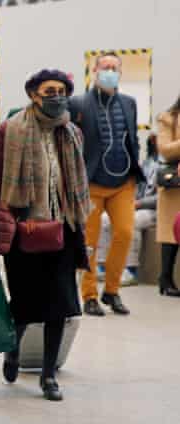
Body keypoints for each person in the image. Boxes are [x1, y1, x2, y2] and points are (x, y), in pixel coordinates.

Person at [0, 69, 91, 401]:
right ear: (33, 94)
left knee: (59, 304)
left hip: (64, 230)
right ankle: (13, 351)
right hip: (23, 232)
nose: (56, 96)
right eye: (48, 91)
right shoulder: (10, 131)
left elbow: (76, 184)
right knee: (25, 305)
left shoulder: (72, 133)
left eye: (61, 90)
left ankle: (48, 375)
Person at [69, 52, 142, 316]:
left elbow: (132, 137)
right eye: (105, 67)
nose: (109, 71)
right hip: (91, 184)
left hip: (123, 182)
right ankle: (88, 295)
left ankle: (112, 291)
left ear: (119, 73)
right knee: (89, 241)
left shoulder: (129, 103)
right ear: (95, 70)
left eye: (114, 67)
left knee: (124, 233)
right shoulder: (78, 103)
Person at [95, 133, 159, 286]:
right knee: (104, 218)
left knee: (133, 221)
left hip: (153, 210)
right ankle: (102, 266)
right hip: (134, 205)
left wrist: (138, 203)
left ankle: (131, 271)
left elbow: (161, 198)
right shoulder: (146, 163)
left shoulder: (168, 165)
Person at [155, 97, 180, 297]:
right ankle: (165, 278)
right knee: (171, 234)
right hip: (175, 186)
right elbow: (165, 150)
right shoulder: (168, 118)